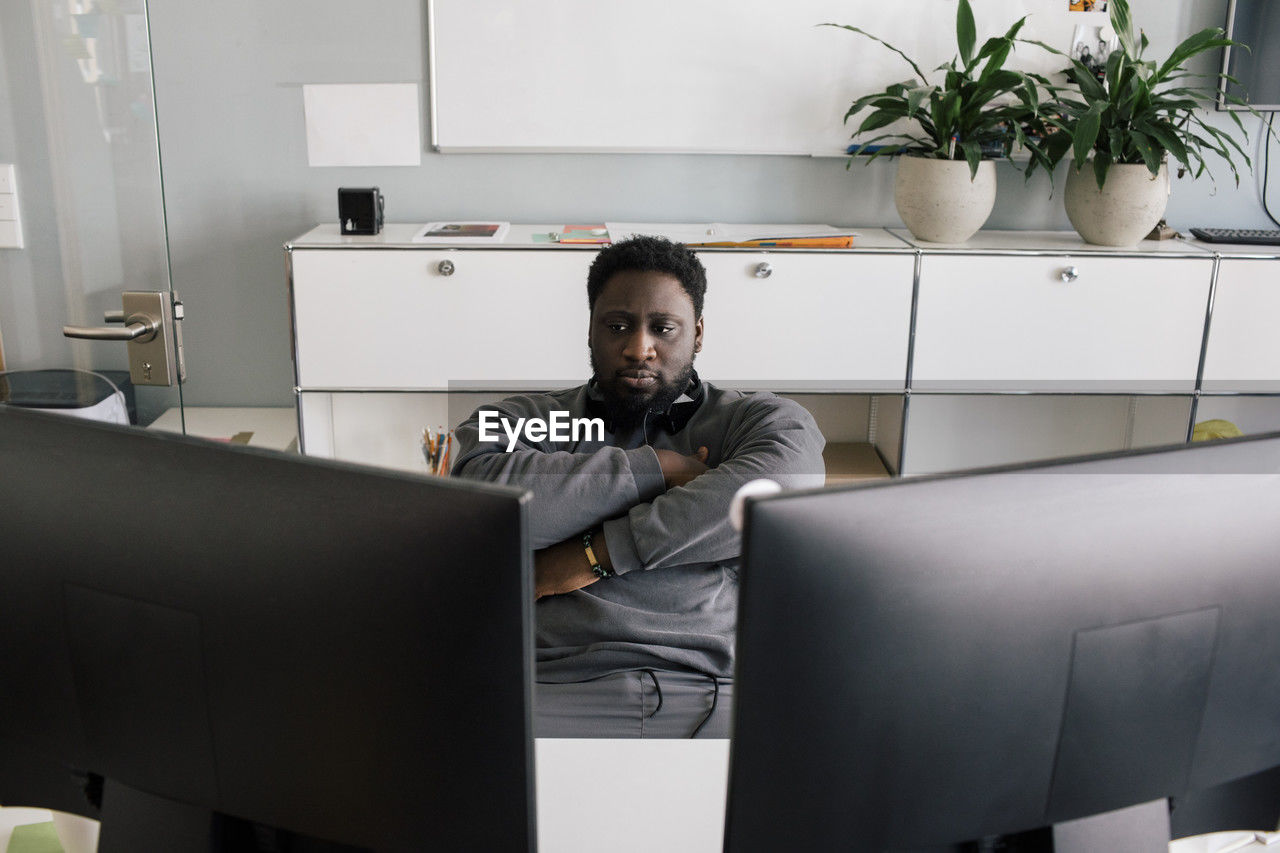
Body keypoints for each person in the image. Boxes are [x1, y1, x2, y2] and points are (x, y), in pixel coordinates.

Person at [451, 235, 825, 737]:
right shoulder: (529, 419)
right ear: (590, 332)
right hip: (552, 686)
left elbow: (777, 491)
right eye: (618, 326)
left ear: (697, 333)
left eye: (663, 328)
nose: (638, 348)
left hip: (714, 687)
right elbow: (479, 500)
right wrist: (660, 469)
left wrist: (591, 555)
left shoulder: (756, 420)